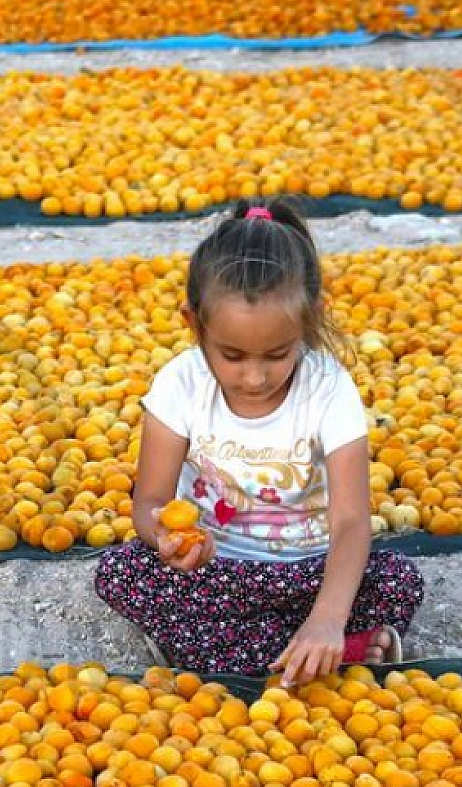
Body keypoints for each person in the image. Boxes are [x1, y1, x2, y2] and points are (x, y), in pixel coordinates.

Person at [94, 198, 424, 689]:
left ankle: (270, 647)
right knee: (120, 573)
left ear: (310, 320)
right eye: (231, 355)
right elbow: (150, 502)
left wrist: (329, 616)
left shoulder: (328, 388)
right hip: (217, 572)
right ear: (194, 323)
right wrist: (164, 539)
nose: (253, 377)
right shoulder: (179, 385)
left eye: (276, 355)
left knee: (399, 580)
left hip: (309, 570)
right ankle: (339, 652)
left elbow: (352, 520)